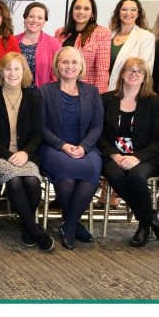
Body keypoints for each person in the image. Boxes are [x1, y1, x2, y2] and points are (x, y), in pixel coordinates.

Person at [0, 52, 53, 250]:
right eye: (8, 69)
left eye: (17, 69)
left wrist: (25, 153)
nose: (12, 73)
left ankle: (28, 229)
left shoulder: (34, 99)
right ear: (1, 72)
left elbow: (37, 133)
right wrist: (8, 155)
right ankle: (35, 230)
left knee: (32, 181)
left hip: (26, 155)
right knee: (14, 181)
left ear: (24, 72)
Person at [37, 45, 104, 250]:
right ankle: (73, 223)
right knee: (66, 176)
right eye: (65, 62)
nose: (69, 66)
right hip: (54, 147)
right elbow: (40, 127)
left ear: (81, 66)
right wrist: (63, 145)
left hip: (86, 147)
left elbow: (97, 125)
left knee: (91, 168)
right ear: (57, 65)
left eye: (74, 62)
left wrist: (84, 146)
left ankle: (70, 224)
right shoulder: (45, 91)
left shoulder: (92, 92)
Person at [99, 56, 159, 247]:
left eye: (139, 71)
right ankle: (149, 217)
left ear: (145, 77)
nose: (134, 74)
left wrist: (137, 158)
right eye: (130, 69)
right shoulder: (106, 99)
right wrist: (115, 155)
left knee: (136, 176)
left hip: (144, 156)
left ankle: (143, 226)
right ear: (122, 73)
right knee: (115, 174)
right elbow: (99, 134)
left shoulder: (153, 103)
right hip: (113, 155)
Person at [54, 0, 111, 93]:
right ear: (72, 10)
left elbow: (102, 71)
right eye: (77, 8)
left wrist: (99, 96)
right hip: (60, 89)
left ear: (92, 13)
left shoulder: (102, 33)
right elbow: (55, 64)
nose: (81, 11)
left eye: (86, 9)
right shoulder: (60, 33)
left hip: (86, 92)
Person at [106, 0, 156, 90]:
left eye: (133, 10)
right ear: (118, 12)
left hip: (126, 90)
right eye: (124, 9)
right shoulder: (107, 34)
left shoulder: (146, 37)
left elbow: (144, 71)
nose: (128, 13)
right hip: (101, 87)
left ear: (138, 14)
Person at [18, 1, 61, 92]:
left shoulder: (54, 43)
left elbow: (58, 73)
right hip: (15, 94)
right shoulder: (13, 41)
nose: (35, 20)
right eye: (31, 16)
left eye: (40, 18)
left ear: (45, 21)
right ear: (25, 18)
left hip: (42, 95)